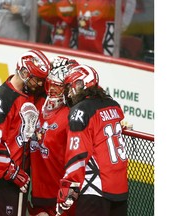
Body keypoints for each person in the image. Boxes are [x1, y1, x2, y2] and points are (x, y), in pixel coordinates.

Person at [0, 49, 51, 216]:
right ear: (24, 73)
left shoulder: (29, 92)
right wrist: (13, 173)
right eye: (37, 80)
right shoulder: (2, 101)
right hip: (6, 175)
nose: (40, 85)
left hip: (22, 171)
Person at [55, 64, 128, 216]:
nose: (68, 94)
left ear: (80, 85)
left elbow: (78, 155)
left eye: (70, 87)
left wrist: (69, 186)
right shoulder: (114, 106)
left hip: (95, 189)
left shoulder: (81, 111)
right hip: (120, 187)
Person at [27, 57, 79, 216]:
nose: (52, 91)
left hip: (61, 194)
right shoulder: (37, 102)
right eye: (50, 85)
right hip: (39, 191)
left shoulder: (74, 115)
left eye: (58, 87)